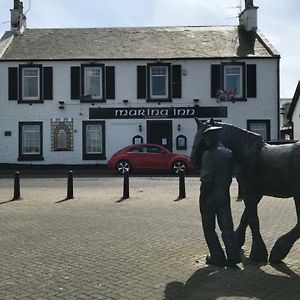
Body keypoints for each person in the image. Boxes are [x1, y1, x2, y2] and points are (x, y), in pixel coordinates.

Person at [199, 126, 241, 267]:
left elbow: (206, 180)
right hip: (224, 196)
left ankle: (217, 257)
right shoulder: (228, 153)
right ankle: (233, 256)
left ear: (211, 138)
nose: (206, 141)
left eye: (207, 138)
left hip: (210, 197)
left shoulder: (208, 154)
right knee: (227, 228)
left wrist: (202, 198)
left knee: (209, 229)